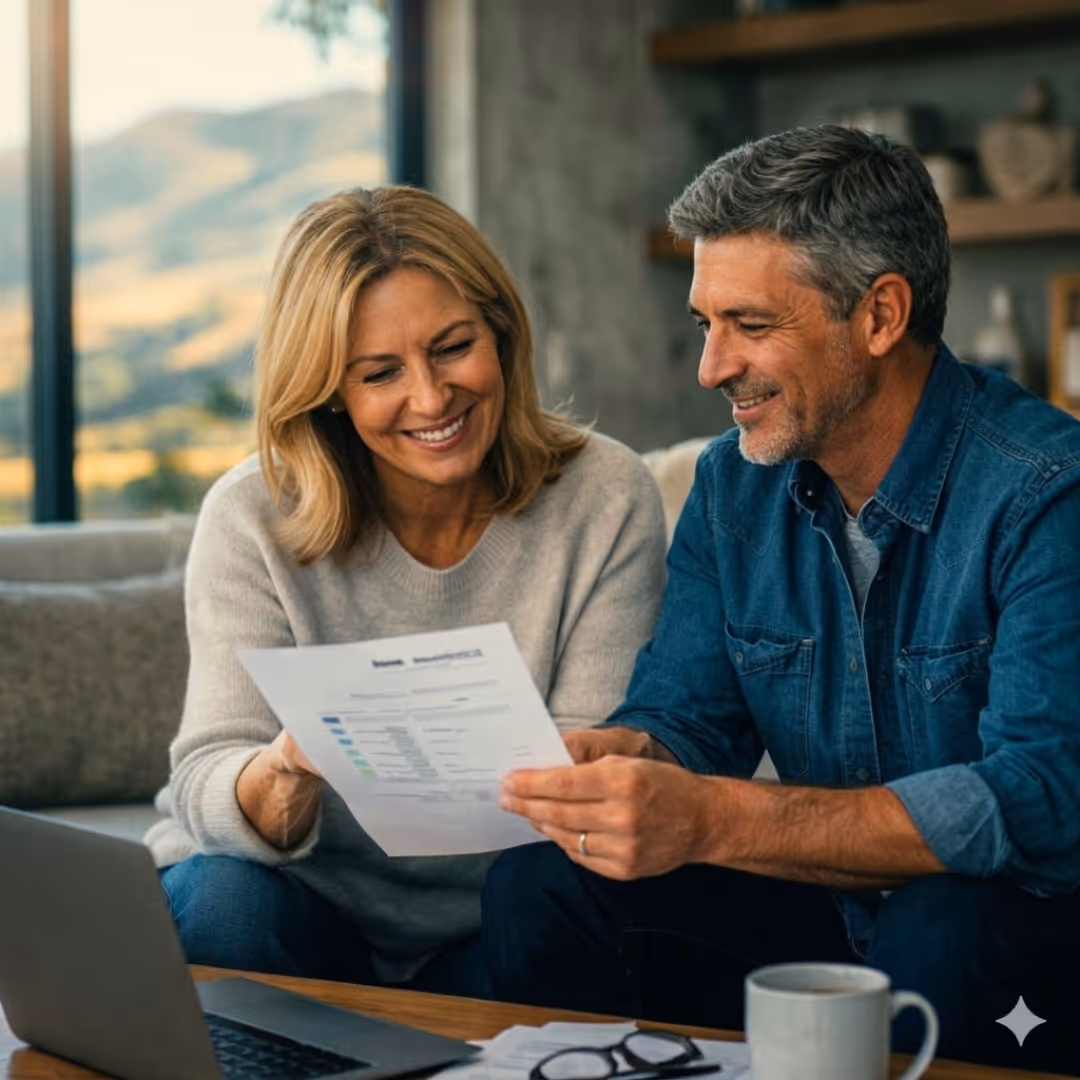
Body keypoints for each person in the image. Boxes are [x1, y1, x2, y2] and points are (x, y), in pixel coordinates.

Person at [481, 125, 1080, 1074]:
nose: (711, 368)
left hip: (1024, 944)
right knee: (542, 881)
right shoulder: (732, 488)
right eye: (704, 324)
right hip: (826, 918)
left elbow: (1039, 803)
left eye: (751, 326)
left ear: (881, 316)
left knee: (942, 924)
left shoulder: (1048, 491)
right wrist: (630, 758)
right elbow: (687, 720)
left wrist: (712, 818)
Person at [147, 186, 667, 999]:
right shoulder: (252, 515)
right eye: (380, 373)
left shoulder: (606, 495)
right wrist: (285, 771)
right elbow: (205, 778)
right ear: (327, 390)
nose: (431, 399)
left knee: (565, 901)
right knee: (219, 902)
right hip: (302, 911)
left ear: (500, 332)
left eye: (454, 347)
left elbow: (584, 785)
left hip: (503, 922)